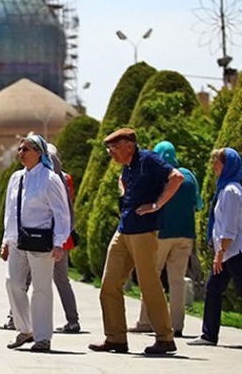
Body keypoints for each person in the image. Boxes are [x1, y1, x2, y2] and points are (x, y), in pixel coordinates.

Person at [88, 128, 184, 355]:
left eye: (115, 148)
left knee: (149, 284)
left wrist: (156, 205)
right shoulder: (128, 168)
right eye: (109, 149)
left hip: (143, 232)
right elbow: (122, 180)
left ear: (129, 145)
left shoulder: (148, 159)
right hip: (124, 230)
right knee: (109, 284)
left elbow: (176, 178)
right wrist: (124, 191)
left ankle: (165, 338)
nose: (111, 153)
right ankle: (116, 338)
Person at [0, 135, 70, 352]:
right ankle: (25, 328)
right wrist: (6, 240)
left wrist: (59, 242)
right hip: (18, 242)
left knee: (41, 289)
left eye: (26, 149)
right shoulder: (16, 178)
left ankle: (42, 337)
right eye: (20, 149)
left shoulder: (50, 179)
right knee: (13, 283)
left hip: (41, 242)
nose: (21, 152)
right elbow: (10, 212)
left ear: (39, 152)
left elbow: (61, 213)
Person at [131, 141, 202, 338]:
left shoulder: (160, 177)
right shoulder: (189, 176)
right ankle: (177, 325)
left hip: (161, 234)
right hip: (186, 235)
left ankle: (145, 320)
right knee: (177, 280)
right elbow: (199, 204)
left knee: (151, 276)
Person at [187, 148, 242, 346]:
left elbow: (229, 227)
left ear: (227, 166)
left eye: (217, 163)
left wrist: (219, 253)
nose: (214, 168)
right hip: (227, 252)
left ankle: (209, 334)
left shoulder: (231, 192)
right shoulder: (225, 189)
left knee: (219, 289)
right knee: (213, 289)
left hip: (234, 252)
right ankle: (209, 335)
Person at [48, 143, 81, 333]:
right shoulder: (65, 178)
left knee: (25, 278)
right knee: (62, 280)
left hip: (46, 236)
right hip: (63, 237)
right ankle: (73, 320)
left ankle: (14, 317)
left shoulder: (45, 179)